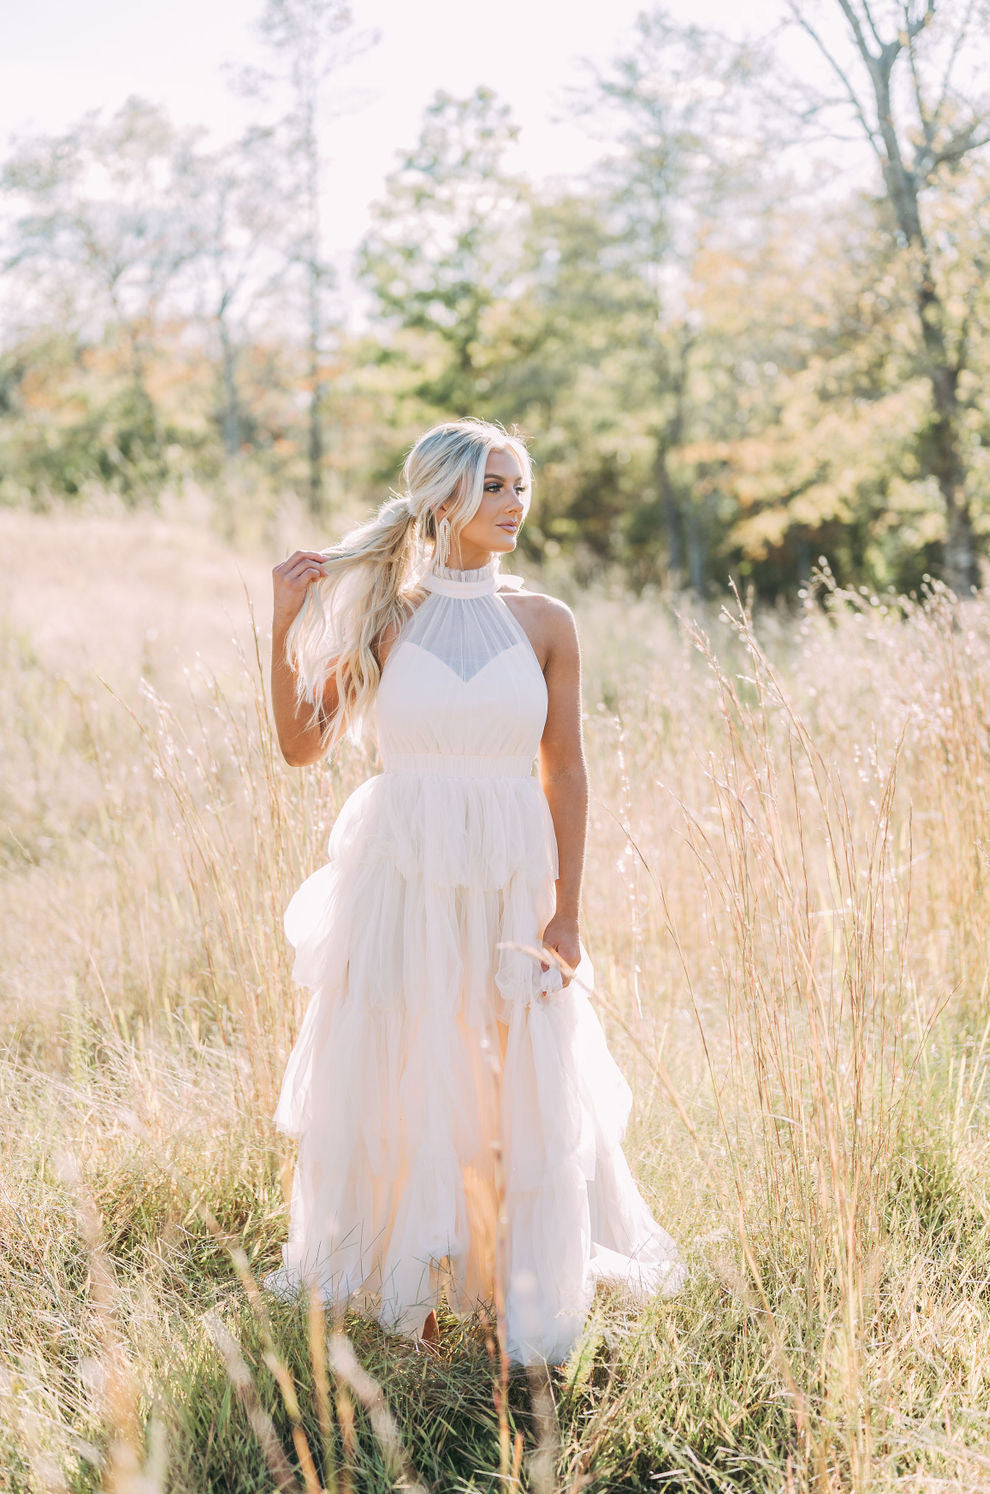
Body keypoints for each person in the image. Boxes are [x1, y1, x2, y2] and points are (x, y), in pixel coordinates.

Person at [264, 417, 685, 1367]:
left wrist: (568, 911)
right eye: (494, 486)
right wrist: (286, 624)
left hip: (510, 880)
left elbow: (566, 776)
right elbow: (300, 747)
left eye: (520, 486)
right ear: (443, 495)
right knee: (407, 1066)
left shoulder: (546, 622)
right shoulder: (386, 615)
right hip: (402, 880)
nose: (514, 504)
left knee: (515, 1079)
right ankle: (409, 1287)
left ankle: (508, 1282)